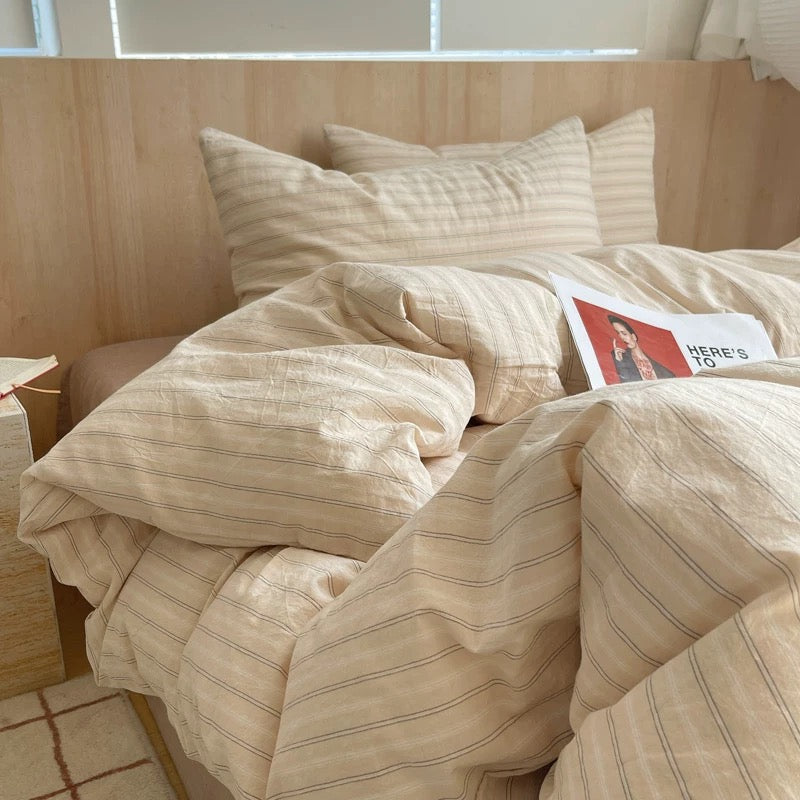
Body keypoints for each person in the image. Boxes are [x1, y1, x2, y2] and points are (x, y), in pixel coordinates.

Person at [608, 315, 675, 383]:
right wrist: (620, 363)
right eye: (618, 334)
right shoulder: (619, 358)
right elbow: (627, 386)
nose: (622, 338)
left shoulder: (664, 371)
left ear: (634, 336)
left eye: (624, 334)